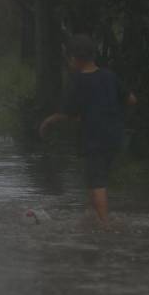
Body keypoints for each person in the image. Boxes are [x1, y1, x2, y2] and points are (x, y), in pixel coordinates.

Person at [39, 34, 137, 226]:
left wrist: (49, 120)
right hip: (115, 135)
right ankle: (92, 216)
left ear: (74, 59)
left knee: (96, 180)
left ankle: (104, 223)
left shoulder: (77, 81)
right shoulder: (109, 75)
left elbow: (67, 113)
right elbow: (132, 100)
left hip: (94, 137)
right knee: (97, 176)